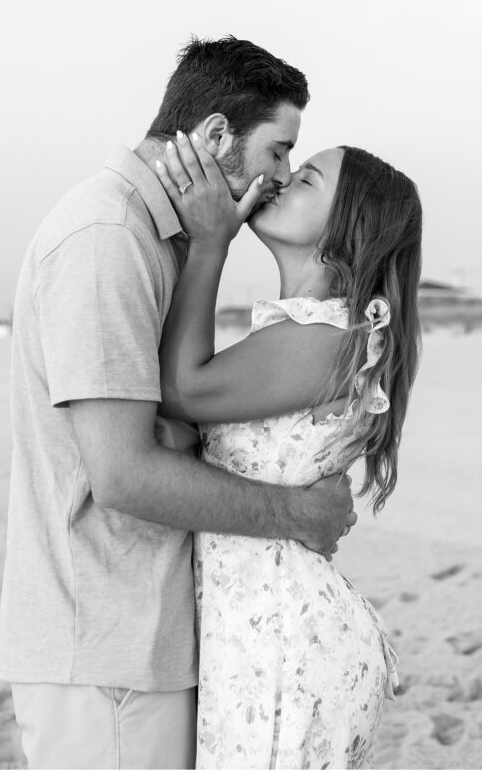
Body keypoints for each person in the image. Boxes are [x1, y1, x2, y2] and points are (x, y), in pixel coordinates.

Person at [0, 36, 357, 770]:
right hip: (105, 647)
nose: (280, 176)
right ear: (217, 135)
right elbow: (123, 474)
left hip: (144, 635)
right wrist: (300, 515)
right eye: (279, 151)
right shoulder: (108, 236)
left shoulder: (164, 236)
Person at [155, 134, 422, 769]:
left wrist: (210, 242)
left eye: (306, 181)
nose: (280, 180)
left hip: (284, 643)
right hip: (259, 630)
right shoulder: (307, 328)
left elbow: (179, 389)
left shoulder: (327, 337)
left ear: (346, 228)